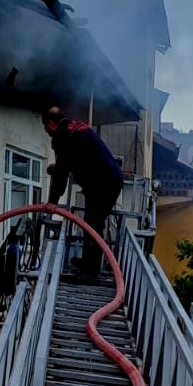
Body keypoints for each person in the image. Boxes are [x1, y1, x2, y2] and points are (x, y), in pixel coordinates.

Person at [42, 106, 123, 284]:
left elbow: (62, 173)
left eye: (46, 127)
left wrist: (52, 202)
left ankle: (90, 273)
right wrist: (58, 166)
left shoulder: (61, 136)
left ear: (51, 123)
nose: (46, 132)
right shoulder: (74, 128)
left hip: (103, 183)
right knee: (91, 222)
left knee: (93, 223)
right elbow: (75, 157)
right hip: (107, 179)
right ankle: (87, 263)